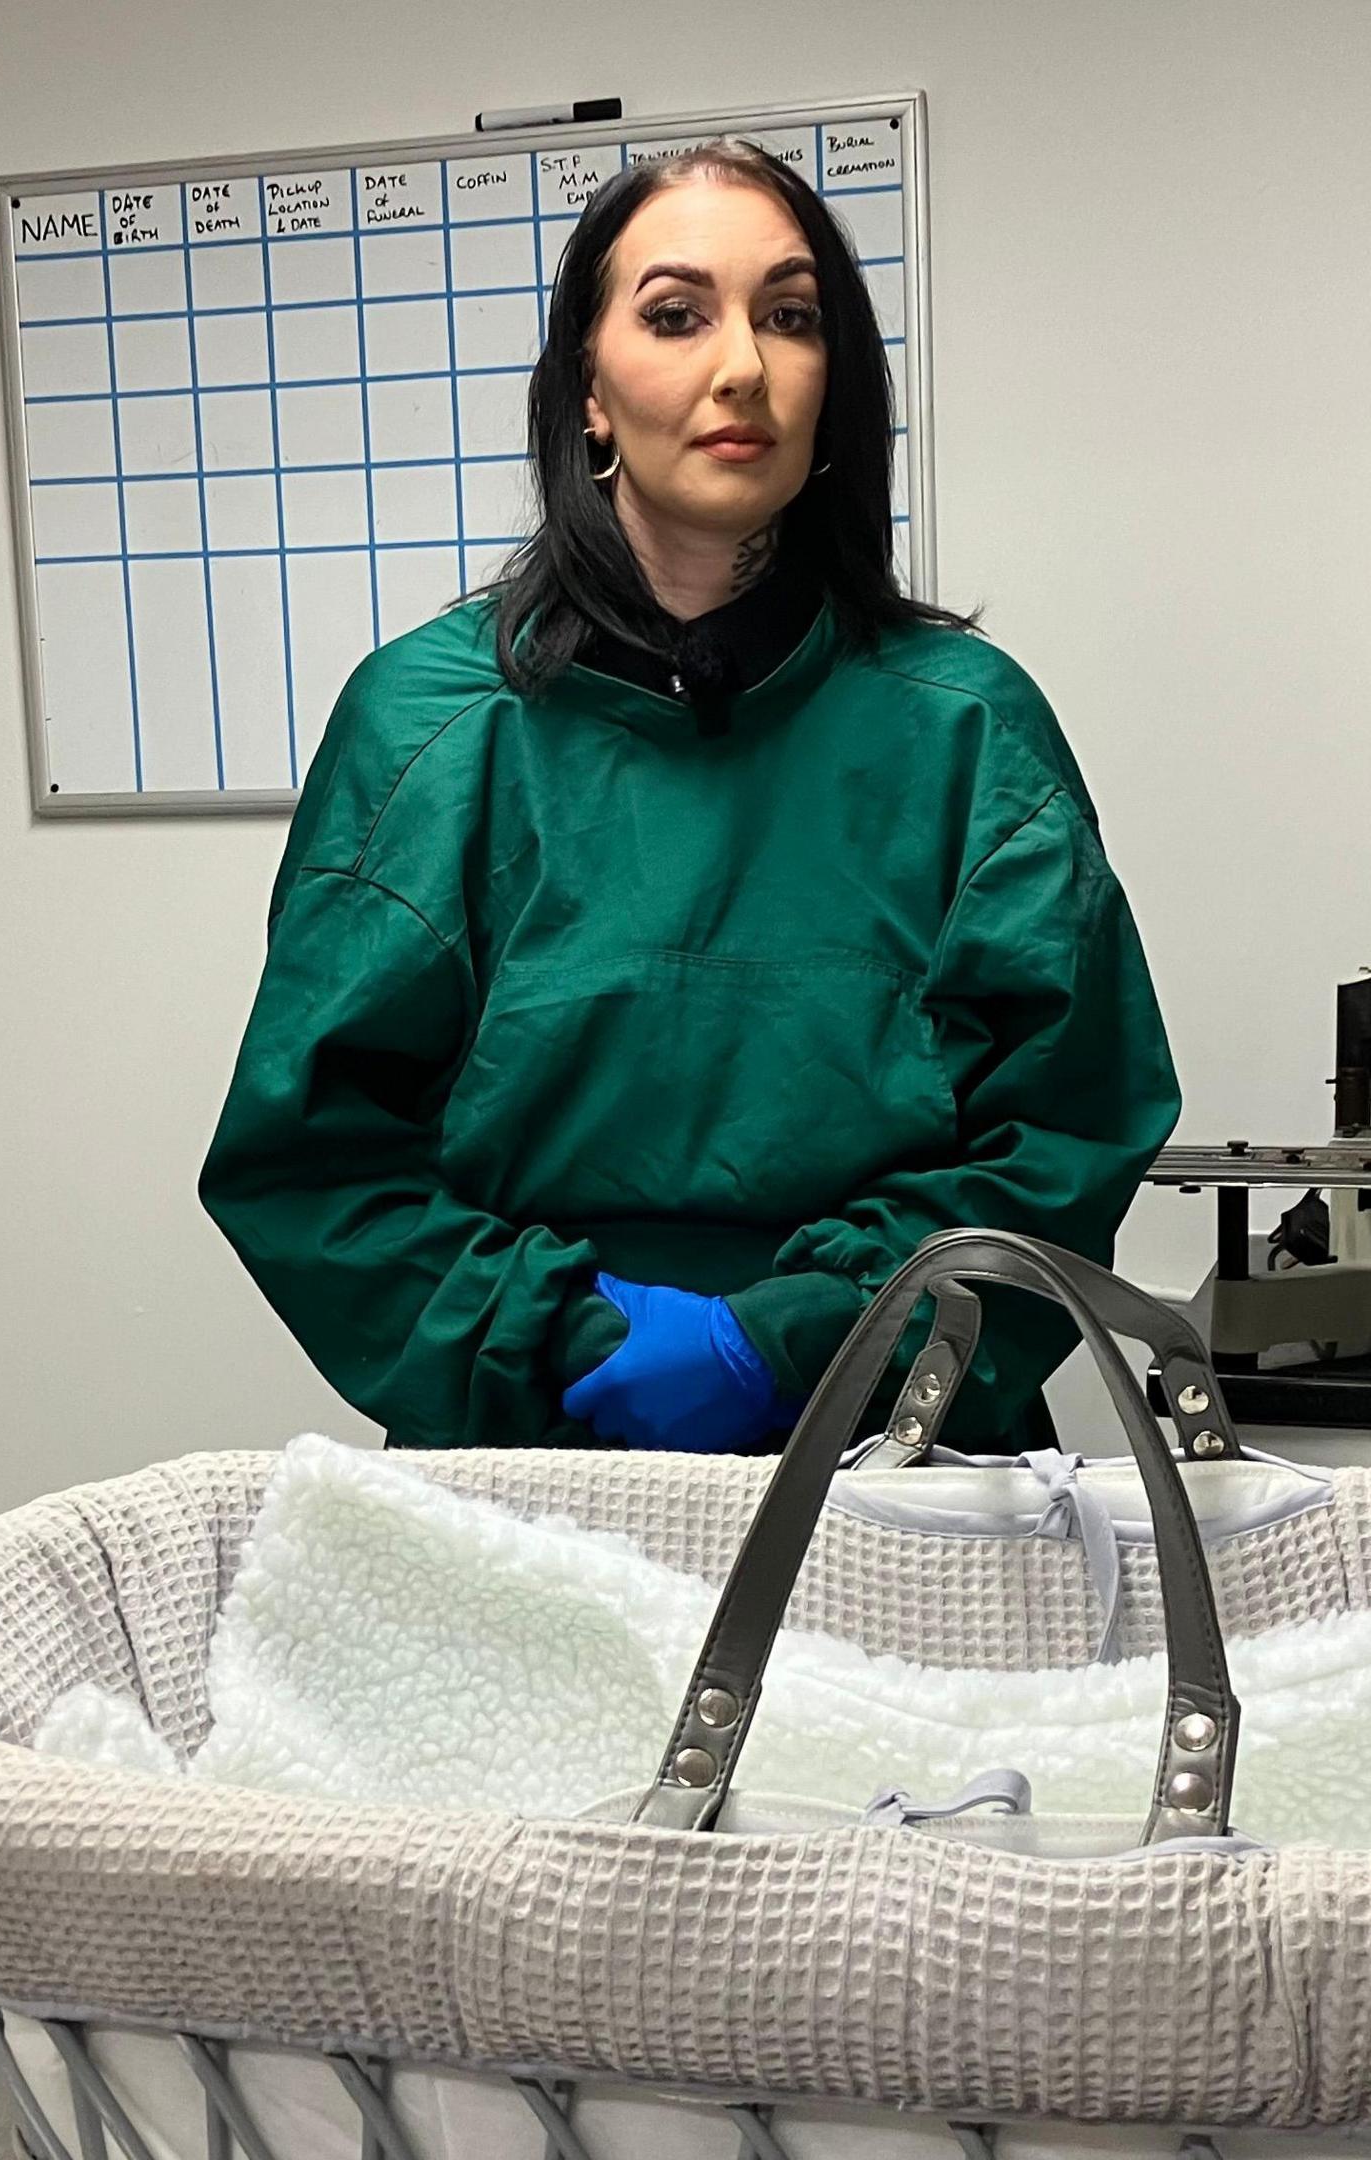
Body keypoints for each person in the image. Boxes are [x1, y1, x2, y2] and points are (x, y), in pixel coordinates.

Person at [199, 141, 1177, 1452]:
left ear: (836, 387)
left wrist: (788, 1344)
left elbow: (1066, 1135)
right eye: (674, 314)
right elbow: (317, 1166)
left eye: (790, 316)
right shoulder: (429, 727)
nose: (742, 368)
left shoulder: (967, 729)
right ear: (588, 394)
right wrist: (573, 1342)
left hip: (899, 1452)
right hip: (538, 1457)